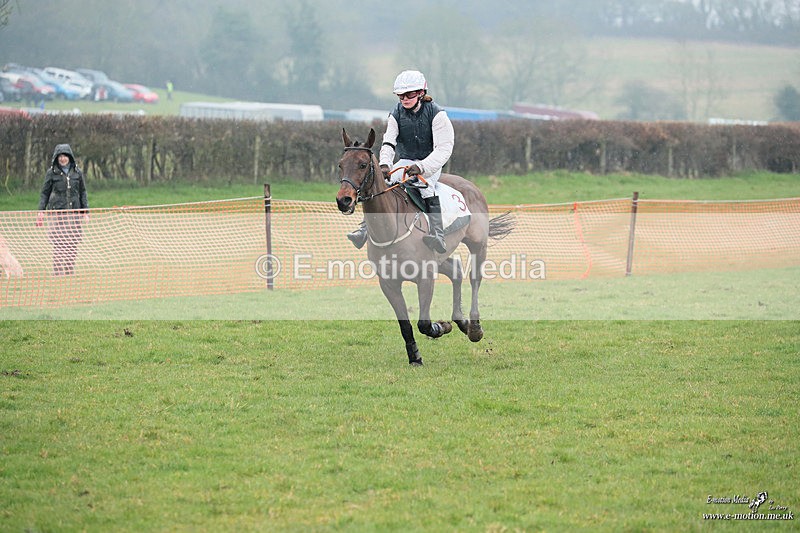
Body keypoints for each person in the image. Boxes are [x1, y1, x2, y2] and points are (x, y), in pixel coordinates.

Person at [347, 70, 454, 253]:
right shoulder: (396, 113)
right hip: (405, 160)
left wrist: (422, 167)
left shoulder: (437, 115)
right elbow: (389, 142)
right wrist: (385, 164)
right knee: (381, 183)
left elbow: (444, 148)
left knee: (425, 187)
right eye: (401, 95)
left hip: (430, 162)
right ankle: (364, 229)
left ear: (421, 93)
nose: (404, 98)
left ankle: (438, 234)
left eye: (409, 94)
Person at [36, 144, 89, 276]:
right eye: (60, 156)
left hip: (74, 213)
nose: (63, 159)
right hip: (58, 213)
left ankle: (69, 269)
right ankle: (58, 271)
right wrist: (41, 210)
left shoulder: (77, 172)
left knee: (73, 242)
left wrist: (85, 212)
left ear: (70, 157)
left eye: (65, 156)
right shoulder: (51, 173)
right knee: (59, 243)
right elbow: (45, 193)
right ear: (56, 158)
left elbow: (83, 192)